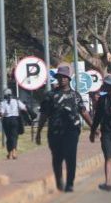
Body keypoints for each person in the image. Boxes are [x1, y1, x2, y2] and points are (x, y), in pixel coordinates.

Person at [36, 64, 90, 193]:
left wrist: (93, 127)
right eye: (59, 77)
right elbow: (44, 115)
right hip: (55, 132)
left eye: (64, 77)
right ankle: (59, 180)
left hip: (72, 131)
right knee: (57, 158)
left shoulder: (75, 95)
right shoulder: (50, 95)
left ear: (69, 79)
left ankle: (70, 183)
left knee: (71, 157)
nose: (62, 79)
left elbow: (83, 112)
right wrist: (38, 132)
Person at [0, 88, 28, 159]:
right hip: (15, 120)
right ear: (11, 94)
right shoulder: (16, 101)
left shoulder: (2, 103)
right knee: (14, 136)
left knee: (8, 137)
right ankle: (14, 152)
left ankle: (9, 153)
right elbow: (24, 108)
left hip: (6, 120)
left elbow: (1, 113)